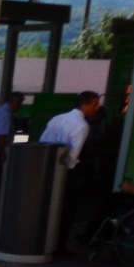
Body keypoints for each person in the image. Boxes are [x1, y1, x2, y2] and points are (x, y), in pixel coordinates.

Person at [39, 90, 102, 250]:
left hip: (45, 165)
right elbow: (73, 155)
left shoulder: (57, 118)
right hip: (65, 171)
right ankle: (59, 244)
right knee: (65, 209)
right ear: (84, 105)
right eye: (94, 105)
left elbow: (42, 141)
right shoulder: (81, 125)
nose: (97, 108)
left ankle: (41, 237)